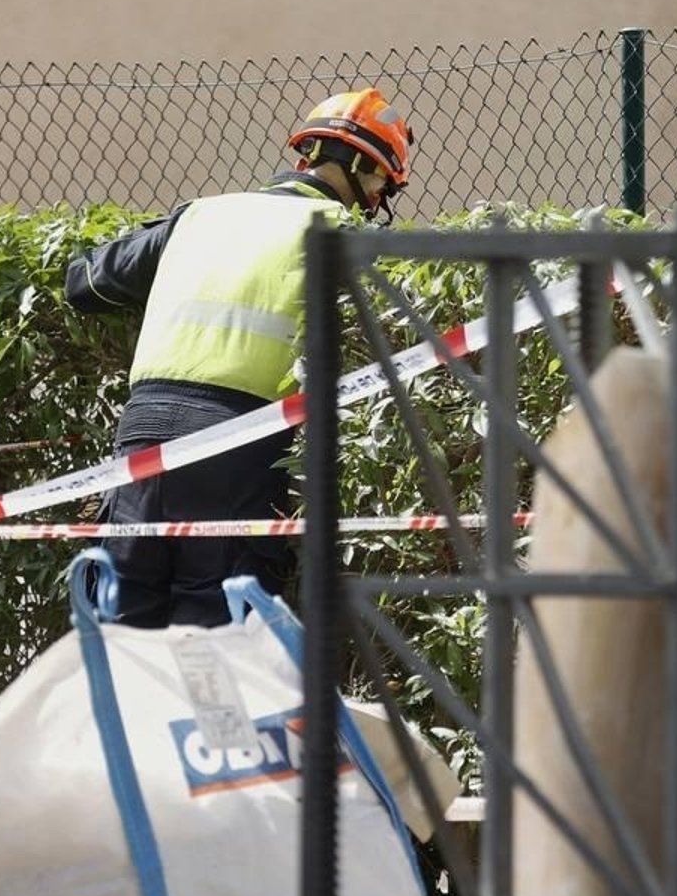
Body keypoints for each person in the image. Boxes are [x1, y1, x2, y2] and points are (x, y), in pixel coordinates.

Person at [64, 88, 415, 627]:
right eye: (379, 183)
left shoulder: (201, 215)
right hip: (239, 442)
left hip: (143, 434)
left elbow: (85, 283)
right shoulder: (336, 232)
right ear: (363, 163)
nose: (375, 198)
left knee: (122, 620)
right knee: (219, 630)